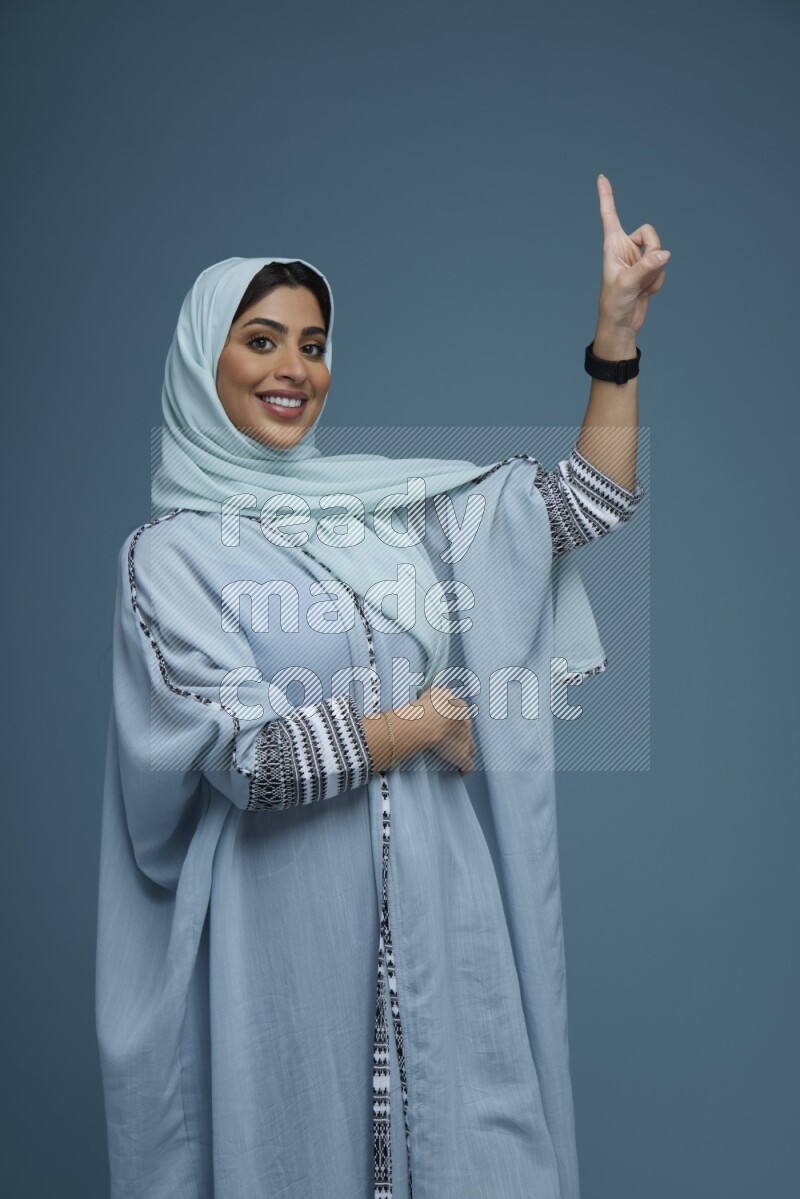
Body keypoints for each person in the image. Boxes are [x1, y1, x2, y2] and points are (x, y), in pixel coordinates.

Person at [95, 176, 664, 1198]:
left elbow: (580, 505)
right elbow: (254, 761)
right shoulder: (169, 557)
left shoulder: (387, 516)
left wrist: (612, 337)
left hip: (445, 926)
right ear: (201, 360)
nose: (292, 369)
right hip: (285, 955)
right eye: (260, 339)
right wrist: (424, 721)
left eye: (311, 345)